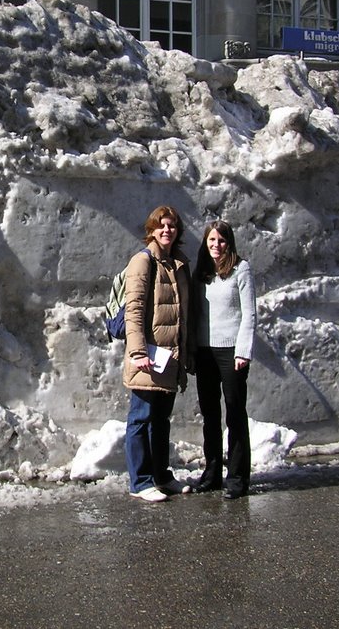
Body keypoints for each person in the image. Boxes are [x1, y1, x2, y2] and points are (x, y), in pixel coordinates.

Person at [121, 205, 192, 502]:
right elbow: (134, 310)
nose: (167, 231)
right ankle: (140, 482)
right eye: (162, 226)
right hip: (147, 356)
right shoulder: (143, 261)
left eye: (172, 226)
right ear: (151, 230)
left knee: (162, 419)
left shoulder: (178, 263)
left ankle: (161, 475)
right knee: (141, 418)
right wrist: (137, 352)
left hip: (170, 356)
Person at [190, 219, 257, 500]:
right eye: (212, 240)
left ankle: (238, 478)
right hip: (205, 350)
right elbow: (195, 315)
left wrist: (243, 351)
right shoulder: (202, 272)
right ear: (205, 243)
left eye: (221, 240)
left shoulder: (241, 269)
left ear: (229, 243)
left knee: (235, 413)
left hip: (231, 352)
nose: (216, 246)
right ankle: (212, 473)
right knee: (210, 415)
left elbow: (249, 314)